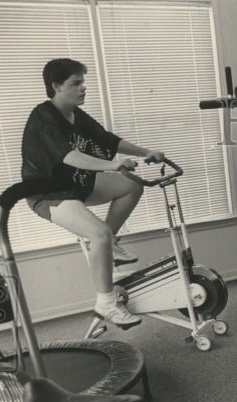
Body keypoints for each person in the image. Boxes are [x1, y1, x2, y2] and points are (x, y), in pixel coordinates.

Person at [22, 58, 167, 329]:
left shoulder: (76, 114)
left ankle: (106, 244)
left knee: (131, 185)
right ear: (56, 86)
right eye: (76, 83)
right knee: (98, 233)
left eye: (83, 82)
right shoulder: (44, 118)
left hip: (76, 184)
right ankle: (106, 302)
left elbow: (108, 140)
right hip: (49, 193)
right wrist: (112, 165)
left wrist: (146, 152)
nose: (83, 88)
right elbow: (69, 156)